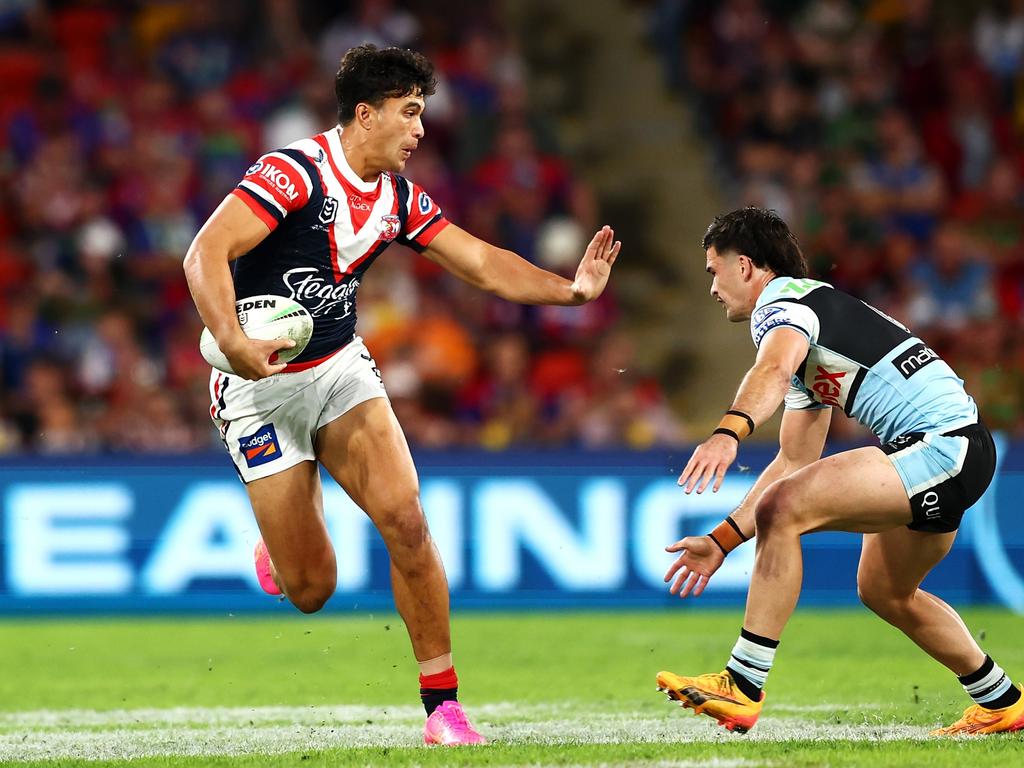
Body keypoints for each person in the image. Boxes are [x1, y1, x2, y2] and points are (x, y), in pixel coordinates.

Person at [183, 44, 620, 746]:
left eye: (423, 114)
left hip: (338, 372)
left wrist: (569, 290)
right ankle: (279, 534)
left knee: (407, 521)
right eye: (410, 113)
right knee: (312, 590)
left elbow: (479, 260)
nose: (420, 130)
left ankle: (442, 708)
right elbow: (203, 252)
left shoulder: (396, 200)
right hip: (257, 391)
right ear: (366, 114)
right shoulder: (294, 173)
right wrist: (232, 340)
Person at [655, 207, 1023, 737]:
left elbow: (774, 369)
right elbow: (794, 461)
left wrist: (728, 431)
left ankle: (742, 683)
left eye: (713, 271)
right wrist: (722, 540)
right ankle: (1001, 701)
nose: (713, 288)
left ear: (746, 265)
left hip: (938, 448)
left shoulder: (781, 306)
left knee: (783, 510)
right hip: (959, 451)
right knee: (884, 591)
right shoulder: (815, 320)